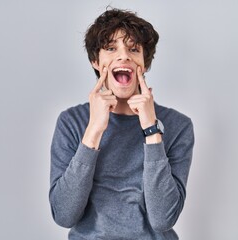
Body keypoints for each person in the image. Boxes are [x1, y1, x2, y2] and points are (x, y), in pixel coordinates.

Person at [49, 8, 194, 239]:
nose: (124, 56)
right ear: (96, 61)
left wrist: (151, 129)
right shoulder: (71, 122)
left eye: (134, 49)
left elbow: (162, 218)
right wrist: (93, 130)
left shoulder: (178, 126)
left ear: (144, 65)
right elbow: (64, 215)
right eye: (111, 48)